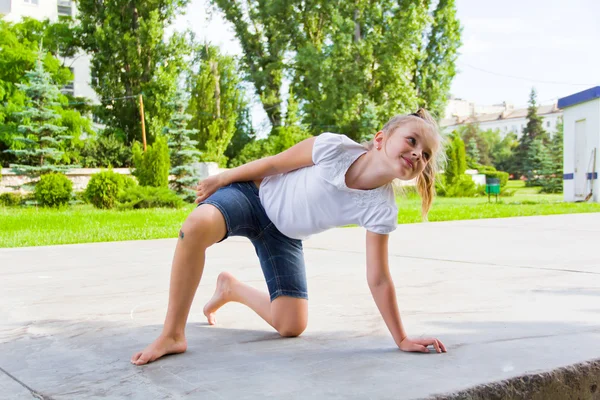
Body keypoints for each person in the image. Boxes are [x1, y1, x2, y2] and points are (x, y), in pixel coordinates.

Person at [131, 108, 447, 366]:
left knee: (291, 325)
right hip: (252, 197)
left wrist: (401, 338)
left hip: (284, 236)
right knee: (195, 226)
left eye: (426, 154)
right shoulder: (333, 147)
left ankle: (231, 288)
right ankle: (173, 334)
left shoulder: (380, 208)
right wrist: (224, 178)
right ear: (381, 139)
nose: (418, 153)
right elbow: (274, 163)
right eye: (412, 140)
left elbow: (378, 279)